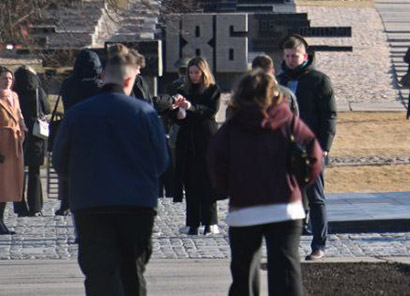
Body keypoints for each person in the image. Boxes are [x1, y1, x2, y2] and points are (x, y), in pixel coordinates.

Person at [53, 45, 170, 296]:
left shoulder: (77, 114)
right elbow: (161, 162)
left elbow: (60, 161)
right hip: (136, 204)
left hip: (90, 203)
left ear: (103, 76)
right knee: (133, 273)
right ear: (129, 80)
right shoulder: (145, 113)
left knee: (98, 274)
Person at [209, 70, 324, 296]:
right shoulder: (288, 121)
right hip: (285, 206)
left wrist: (229, 188)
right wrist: (300, 184)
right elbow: (314, 155)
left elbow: (215, 160)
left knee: (244, 274)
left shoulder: (232, 127)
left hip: (244, 206)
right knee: (286, 272)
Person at [276, 35, 336, 262]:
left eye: (295, 56)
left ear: (305, 56)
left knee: (315, 197)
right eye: (287, 56)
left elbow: (329, 116)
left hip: (312, 148)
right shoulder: (279, 81)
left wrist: (324, 147)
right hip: (285, 148)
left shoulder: (319, 80)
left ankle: (319, 245)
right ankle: (288, 244)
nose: (291, 60)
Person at [174, 56, 221, 235]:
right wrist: (179, 113)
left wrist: (192, 107)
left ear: (203, 73)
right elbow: (178, 117)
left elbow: (211, 111)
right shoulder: (183, 90)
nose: (194, 76)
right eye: (191, 72)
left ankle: (210, 222)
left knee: (208, 180)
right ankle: (192, 222)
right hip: (189, 139)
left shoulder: (212, 89)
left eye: (196, 72)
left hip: (206, 138)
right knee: (191, 181)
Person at [56, 48, 104, 216]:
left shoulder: (68, 83)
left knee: (70, 170)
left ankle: (66, 203)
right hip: (94, 131)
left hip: (71, 129)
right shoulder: (98, 86)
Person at [13, 67, 48, 218]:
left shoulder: (13, 90)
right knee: (35, 171)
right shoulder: (37, 89)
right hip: (35, 132)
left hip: (17, 132)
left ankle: (20, 207)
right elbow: (46, 108)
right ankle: (35, 207)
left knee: (18, 171)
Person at [0, 68, 24, 234]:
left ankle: (1, 219)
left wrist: (23, 129)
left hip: (14, 144)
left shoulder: (14, 96)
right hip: (1, 143)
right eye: (4, 78)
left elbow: (19, 115)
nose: (7, 81)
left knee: (8, 184)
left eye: (9, 78)